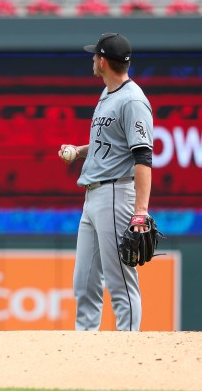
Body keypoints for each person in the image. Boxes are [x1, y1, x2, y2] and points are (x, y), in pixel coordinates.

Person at [58, 33, 154, 331]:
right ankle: (87, 356)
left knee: (120, 283)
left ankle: (127, 354)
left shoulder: (133, 100)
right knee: (84, 282)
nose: (92, 60)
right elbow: (111, 144)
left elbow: (143, 157)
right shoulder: (108, 93)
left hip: (116, 193)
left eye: (94, 56)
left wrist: (140, 210)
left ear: (102, 60)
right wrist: (79, 151)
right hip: (93, 195)